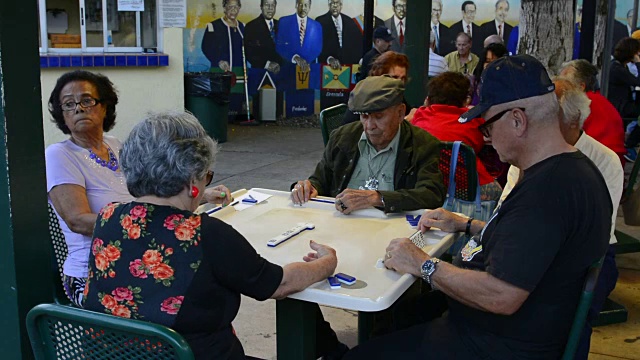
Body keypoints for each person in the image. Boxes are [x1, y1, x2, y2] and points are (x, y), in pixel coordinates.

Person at [344, 55, 612, 359]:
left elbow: (501, 295)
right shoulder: (572, 170)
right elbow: (530, 243)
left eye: (486, 127)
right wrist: (466, 224)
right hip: (508, 331)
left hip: (497, 343)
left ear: (517, 120)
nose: (486, 139)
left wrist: (423, 263)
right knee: (394, 316)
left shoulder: (547, 191)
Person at [82, 111, 338, 360]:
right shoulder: (205, 234)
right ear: (193, 179)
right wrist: (327, 263)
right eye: (207, 176)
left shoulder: (108, 217)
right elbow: (281, 284)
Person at [45, 71, 232, 308]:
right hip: (92, 272)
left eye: (86, 100)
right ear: (61, 115)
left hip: (137, 258)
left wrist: (200, 194)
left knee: (205, 284)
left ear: (105, 106)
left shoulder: (114, 145)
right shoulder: (59, 155)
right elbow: (77, 221)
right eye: (68, 105)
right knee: (187, 299)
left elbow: (151, 193)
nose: (78, 109)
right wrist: (148, 225)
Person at [499, 77, 623, 360]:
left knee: (567, 318)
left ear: (574, 121)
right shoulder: (528, 154)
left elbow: (596, 234)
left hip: (590, 255)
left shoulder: (603, 160)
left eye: (549, 117)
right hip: (532, 243)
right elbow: (505, 209)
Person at [294, 75, 445, 214]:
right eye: (364, 116)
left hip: (392, 226)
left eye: (379, 117)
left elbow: (432, 194)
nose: (370, 126)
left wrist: (379, 198)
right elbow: (320, 180)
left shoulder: (423, 144)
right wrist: (309, 187)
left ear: (400, 113)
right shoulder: (342, 138)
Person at [411, 72, 502, 201]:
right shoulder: (472, 121)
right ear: (466, 99)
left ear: (429, 98)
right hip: (468, 188)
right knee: (501, 194)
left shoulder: (420, 115)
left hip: (430, 185)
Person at [560, 59, 626, 164]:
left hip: (597, 164)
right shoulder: (600, 101)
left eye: (565, 83)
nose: (560, 87)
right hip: (611, 162)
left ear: (581, 87)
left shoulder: (581, 105)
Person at [346, 52, 411, 124]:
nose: (399, 83)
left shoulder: (396, 95)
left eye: (403, 78)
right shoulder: (366, 98)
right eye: (394, 78)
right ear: (380, 76)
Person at [608, 37, 640, 161]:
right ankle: (630, 144)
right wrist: (638, 63)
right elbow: (637, 81)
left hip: (624, 103)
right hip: (619, 106)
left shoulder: (620, 67)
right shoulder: (617, 69)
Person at [276, 0, 323, 73]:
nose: (303, 8)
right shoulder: (284, 22)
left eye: (306, 5)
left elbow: (317, 48)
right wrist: (295, 58)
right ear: (296, 5)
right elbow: (279, 46)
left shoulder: (316, 26)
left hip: (308, 71)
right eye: (300, 4)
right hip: (287, 70)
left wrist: (305, 61)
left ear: (309, 7)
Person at [316, 0, 363, 69]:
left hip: (348, 66)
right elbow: (318, 46)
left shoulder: (349, 21)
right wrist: (329, 59)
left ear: (341, 5)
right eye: (332, 3)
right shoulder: (320, 21)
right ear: (329, 5)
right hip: (328, 67)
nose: (335, 6)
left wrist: (360, 60)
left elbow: (356, 44)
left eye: (337, 3)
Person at [201, 0, 245, 73]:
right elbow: (206, 48)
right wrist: (219, 61)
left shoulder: (243, 27)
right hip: (219, 71)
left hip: (239, 71)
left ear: (239, 8)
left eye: (236, 6)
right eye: (230, 6)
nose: (233, 9)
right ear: (224, 8)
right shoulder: (213, 26)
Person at [244, 0, 284, 74]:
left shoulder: (281, 25)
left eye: (272, 5)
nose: (270, 8)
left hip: (280, 75)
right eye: (267, 5)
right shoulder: (251, 26)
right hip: (260, 73)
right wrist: (267, 65)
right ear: (261, 7)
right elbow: (249, 53)